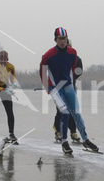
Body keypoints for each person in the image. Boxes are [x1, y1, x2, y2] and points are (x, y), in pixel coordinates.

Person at [40, 27, 99, 155]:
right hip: (55, 88)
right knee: (64, 111)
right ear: (55, 40)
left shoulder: (73, 52)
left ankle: (86, 139)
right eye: (60, 39)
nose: (63, 41)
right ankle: (64, 142)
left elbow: (72, 70)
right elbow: (42, 72)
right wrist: (48, 88)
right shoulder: (48, 55)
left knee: (76, 112)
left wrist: (70, 84)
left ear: (67, 39)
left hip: (68, 86)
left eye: (64, 38)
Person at [53, 39, 83, 143]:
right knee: (60, 110)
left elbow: (79, 71)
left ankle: (73, 132)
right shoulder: (56, 57)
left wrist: (70, 76)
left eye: (68, 45)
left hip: (71, 88)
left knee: (73, 111)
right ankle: (58, 131)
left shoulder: (76, 58)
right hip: (59, 88)